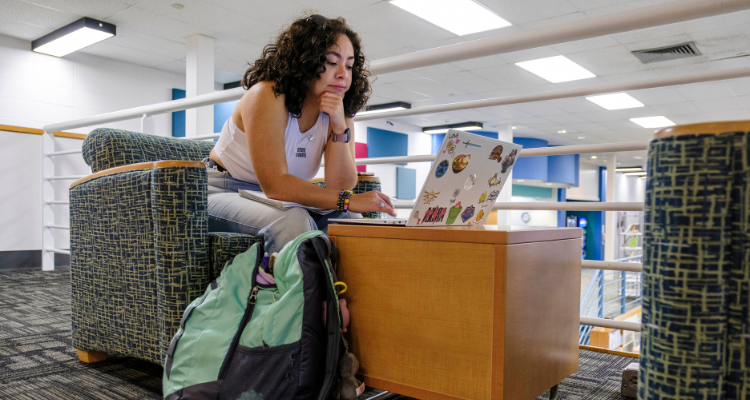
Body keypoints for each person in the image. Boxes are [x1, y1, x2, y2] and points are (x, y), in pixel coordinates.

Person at [205, 14, 396, 254]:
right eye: (331, 61)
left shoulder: (340, 110)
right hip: (224, 190)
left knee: (349, 219)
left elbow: (341, 184)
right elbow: (276, 184)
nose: (343, 74)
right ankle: (313, 292)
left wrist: (339, 127)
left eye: (349, 65)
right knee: (292, 220)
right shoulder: (266, 95)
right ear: (305, 60)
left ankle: (360, 292)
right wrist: (347, 199)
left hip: (278, 199)